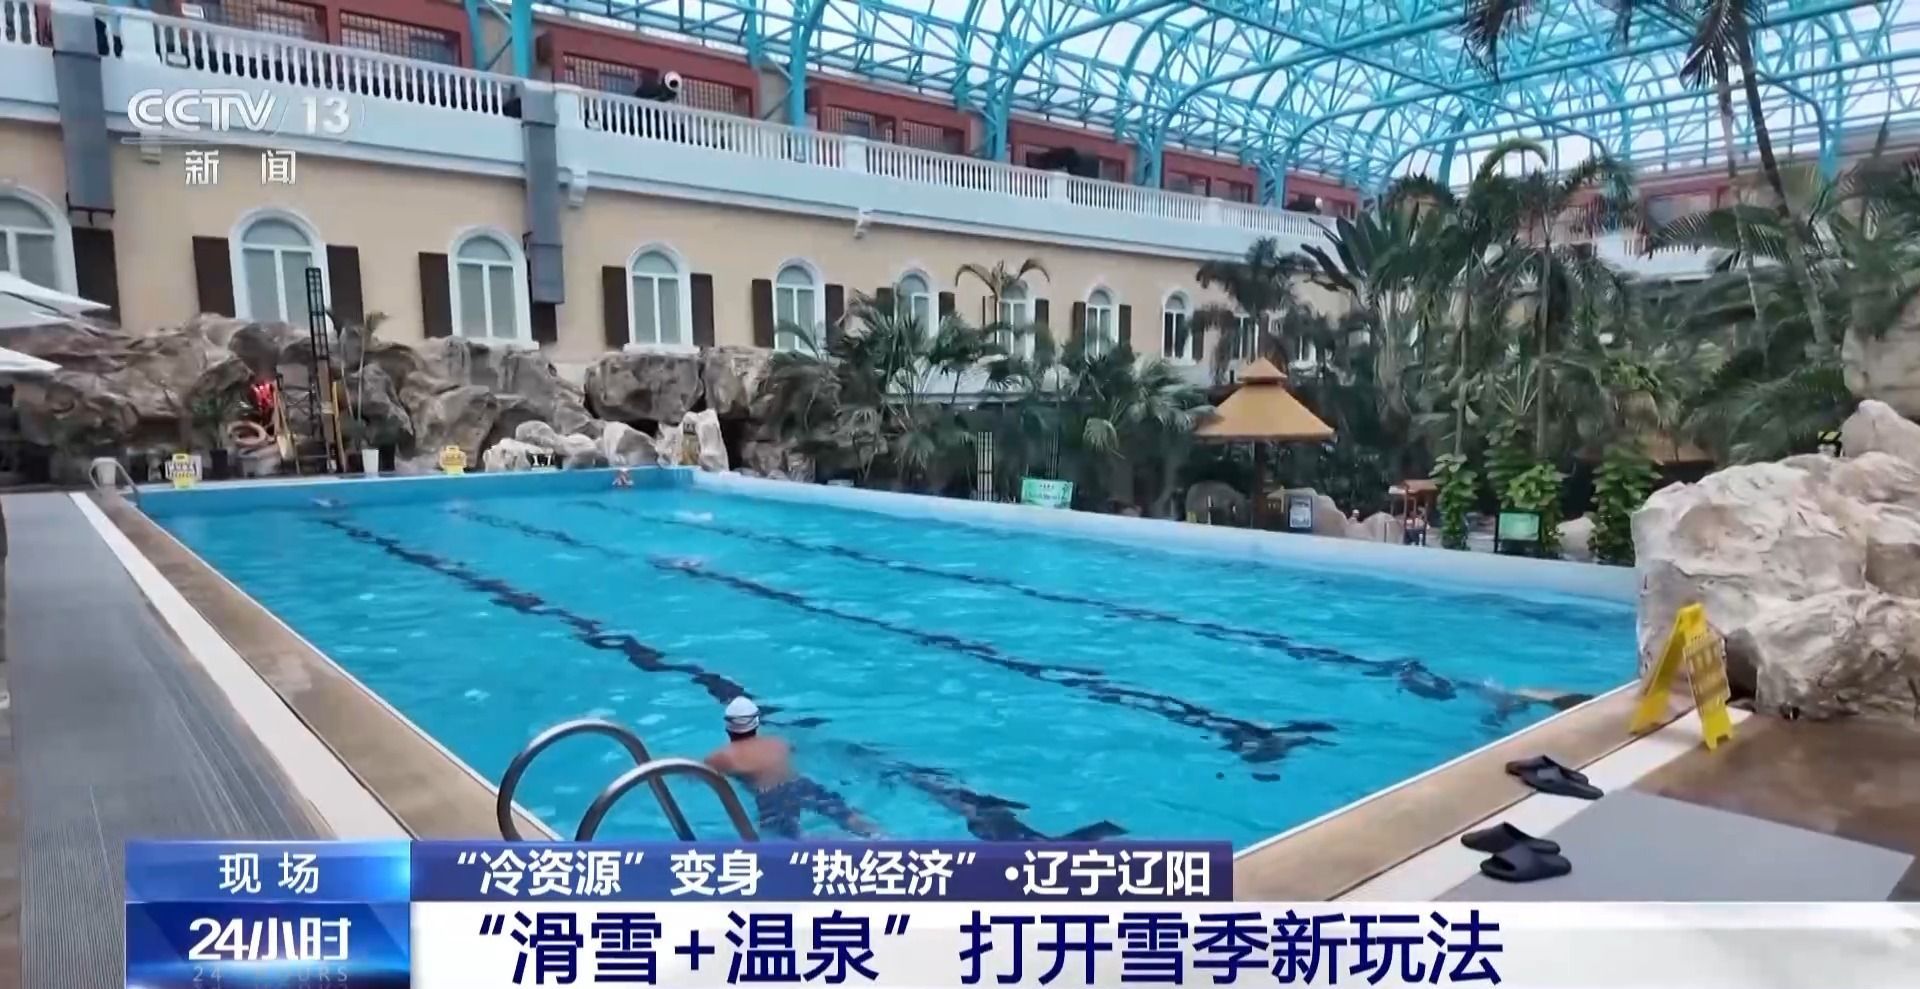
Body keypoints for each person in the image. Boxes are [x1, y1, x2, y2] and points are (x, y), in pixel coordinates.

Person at [704, 697, 879, 839]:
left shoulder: (723, 756)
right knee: (846, 816)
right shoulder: (778, 742)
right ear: (756, 723)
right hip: (803, 784)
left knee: (787, 837)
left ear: (728, 727)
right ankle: (879, 836)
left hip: (771, 796)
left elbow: (697, 773)